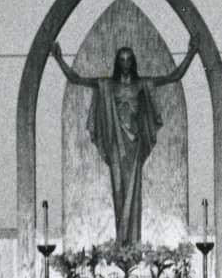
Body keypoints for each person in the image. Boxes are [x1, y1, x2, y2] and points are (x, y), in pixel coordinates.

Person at [50, 39, 196, 246]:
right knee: (119, 188)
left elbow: (174, 76)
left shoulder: (141, 84)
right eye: (122, 59)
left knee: (133, 189)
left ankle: (133, 241)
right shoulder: (107, 85)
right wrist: (58, 59)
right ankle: (122, 241)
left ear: (133, 62)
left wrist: (191, 54)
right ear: (117, 62)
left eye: (129, 59)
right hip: (116, 144)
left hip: (134, 143)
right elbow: (76, 79)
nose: (125, 63)